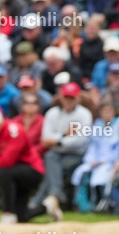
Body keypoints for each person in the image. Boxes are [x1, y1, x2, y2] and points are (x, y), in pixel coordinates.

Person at [0, 106, 48, 224]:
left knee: (4, 172)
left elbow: (7, 161)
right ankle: (48, 207)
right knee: (22, 216)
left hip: (32, 171)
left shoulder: (15, 131)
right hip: (13, 174)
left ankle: (7, 213)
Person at [37, 82, 93, 219]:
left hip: (78, 155)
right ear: (61, 97)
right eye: (66, 97)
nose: (68, 100)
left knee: (53, 169)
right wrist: (64, 136)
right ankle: (53, 197)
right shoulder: (52, 113)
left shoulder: (84, 114)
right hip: (56, 153)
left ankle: (37, 204)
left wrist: (58, 141)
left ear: (78, 98)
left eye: (71, 98)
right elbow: (45, 138)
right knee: (51, 158)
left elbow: (81, 140)